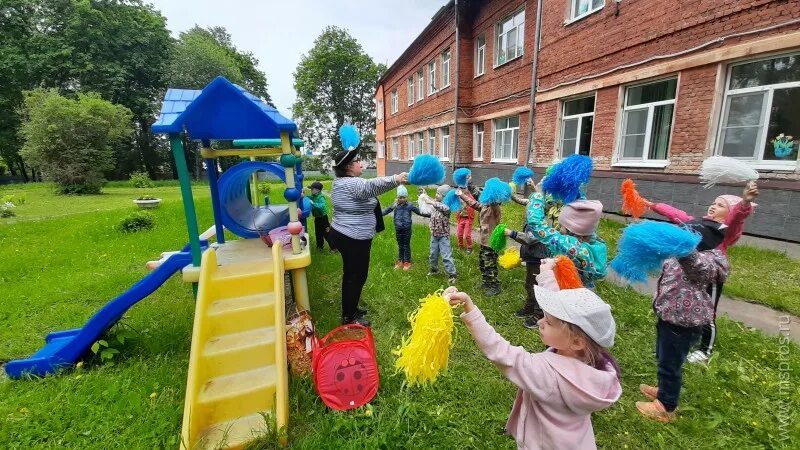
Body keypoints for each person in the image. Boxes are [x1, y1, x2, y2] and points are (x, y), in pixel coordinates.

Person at [445, 285, 621, 450]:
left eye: (549, 322)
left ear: (576, 341)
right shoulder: (596, 367)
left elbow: (500, 351)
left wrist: (470, 308)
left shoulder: (547, 375)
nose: (540, 322)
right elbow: (554, 291)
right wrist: (547, 270)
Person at [646, 181, 759, 364]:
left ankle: (705, 350)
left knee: (708, 313)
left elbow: (737, 218)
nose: (714, 206)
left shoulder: (726, 230)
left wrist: (744, 203)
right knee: (684, 306)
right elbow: (676, 214)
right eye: (714, 202)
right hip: (689, 274)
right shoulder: (698, 223)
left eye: (721, 205)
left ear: (729, 213)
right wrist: (652, 205)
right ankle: (675, 344)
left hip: (710, 276)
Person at [637, 243, 729, 422]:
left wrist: (682, 245)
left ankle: (666, 407)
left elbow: (697, 266)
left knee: (670, 365)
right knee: (664, 359)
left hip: (681, 324)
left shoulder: (710, 260)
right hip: (669, 318)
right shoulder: (681, 255)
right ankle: (665, 391)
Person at [329, 146, 408, 327]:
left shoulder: (342, 182)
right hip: (352, 237)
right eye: (357, 161)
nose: (361, 164)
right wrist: (396, 179)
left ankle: (351, 308)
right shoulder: (352, 184)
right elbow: (372, 186)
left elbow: (367, 188)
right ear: (349, 166)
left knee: (353, 274)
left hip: (346, 234)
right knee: (355, 276)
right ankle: (349, 317)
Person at [525, 181, 607, 292]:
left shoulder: (570, 247)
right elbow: (583, 215)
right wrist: (572, 190)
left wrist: (538, 195)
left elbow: (537, 225)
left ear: (572, 230)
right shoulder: (595, 242)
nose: (559, 228)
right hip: (588, 292)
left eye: (562, 226)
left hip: (567, 294)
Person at [457, 184, 504, 297]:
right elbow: (474, 203)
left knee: (490, 265)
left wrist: (490, 193)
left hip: (491, 243)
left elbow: (489, 199)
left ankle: (494, 286)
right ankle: (486, 282)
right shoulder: (484, 206)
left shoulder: (494, 208)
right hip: (484, 242)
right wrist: (462, 195)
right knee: (483, 263)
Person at [383, 185, 429, 271]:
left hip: (407, 229)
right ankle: (400, 261)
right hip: (398, 228)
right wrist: (378, 215)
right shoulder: (394, 205)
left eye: (404, 197)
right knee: (400, 245)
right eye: (400, 197)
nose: (402, 199)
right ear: (397, 197)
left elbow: (420, 212)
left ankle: (407, 262)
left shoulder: (410, 205)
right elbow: (386, 210)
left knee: (406, 245)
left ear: (406, 197)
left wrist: (430, 215)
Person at [421, 184, 457, 284]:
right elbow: (433, 203)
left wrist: (431, 201)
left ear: (445, 197)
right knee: (433, 254)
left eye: (438, 193)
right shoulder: (436, 204)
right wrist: (425, 195)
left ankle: (452, 274)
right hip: (434, 235)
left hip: (443, 237)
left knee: (446, 255)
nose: (436, 195)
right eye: (436, 192)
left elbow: (441, 206)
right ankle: (434, 270)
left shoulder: (446, 208)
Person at [307, 181, 336, 252]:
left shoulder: (321, 197)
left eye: (312, 189)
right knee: (318, 233)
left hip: (323, 218)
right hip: (317, 218)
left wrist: (313, 203)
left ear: (317, 190)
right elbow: (309, 197)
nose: (311, 190)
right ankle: (319, 247)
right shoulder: (314, 196)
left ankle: (334, 248)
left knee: (327, 233)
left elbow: (322, 206)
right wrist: (304, 197)